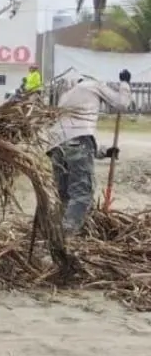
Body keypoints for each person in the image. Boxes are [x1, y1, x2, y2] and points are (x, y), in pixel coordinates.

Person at [47, 69, 133, 236]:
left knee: (65, 195)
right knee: (81, 194)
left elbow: (71, 135)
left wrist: (103, 151)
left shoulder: (65, 96)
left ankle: (57, 231)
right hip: (77, 142)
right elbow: (121, 103)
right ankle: (66, 236)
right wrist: (124, 83)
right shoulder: (92, 85)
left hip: (55, 147)